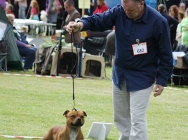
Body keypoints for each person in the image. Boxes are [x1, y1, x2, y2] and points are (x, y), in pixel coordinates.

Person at [64, 0, 173, 139]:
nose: (127, 13)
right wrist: (80, 25)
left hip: (143, 76)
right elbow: (99, 20)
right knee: (120, 118)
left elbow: (166, 53)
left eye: (131, 11)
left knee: (137, 119)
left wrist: (162, 80)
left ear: (141, 3)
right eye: (125, 9)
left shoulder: (158, 22)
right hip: (120, 74)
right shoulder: (119, 11)